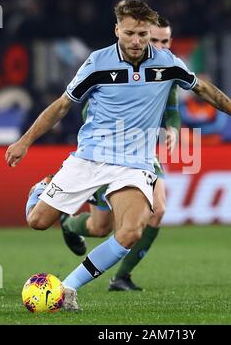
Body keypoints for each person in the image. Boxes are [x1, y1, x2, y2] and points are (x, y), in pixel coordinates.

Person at [5, 0, 231, 311]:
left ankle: (68, 288)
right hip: (90, 157)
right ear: (117, 30)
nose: (137, 41)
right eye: (130, 33)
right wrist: (25, 141)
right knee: (37, 221)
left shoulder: (167, 62)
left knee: (130, 231)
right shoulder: (97, 63)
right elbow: (63, 105)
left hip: (134, 164)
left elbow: (205, 91)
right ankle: (41, 190)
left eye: (143, 34)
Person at [57, 16, 180, 292]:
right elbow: (89, 109)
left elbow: (172, 110)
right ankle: (67, 223)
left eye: (164, 40)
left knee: (157, 210)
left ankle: (121, 277)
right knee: (100, 227)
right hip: (105, 154)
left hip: (143, 154)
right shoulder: (113, 66)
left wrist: (172, 129)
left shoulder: (167, 68)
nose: (159, 45)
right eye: (155, 39)